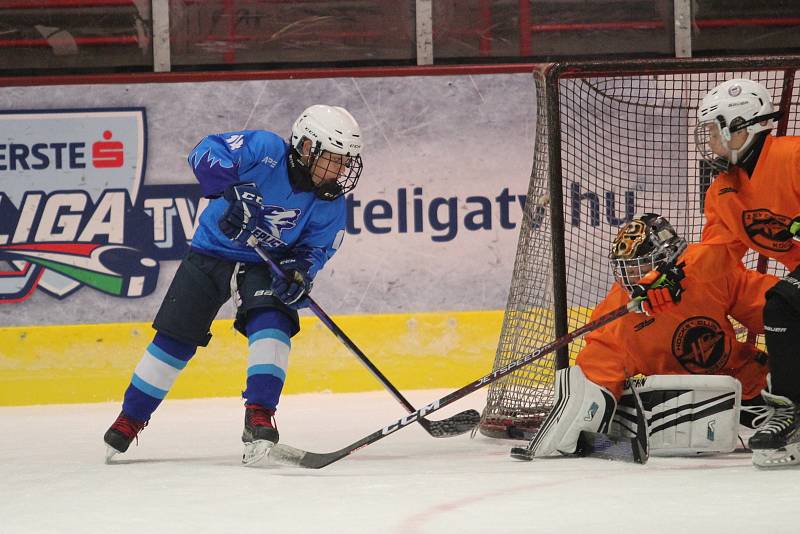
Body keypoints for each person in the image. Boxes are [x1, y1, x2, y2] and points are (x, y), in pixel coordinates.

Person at [103, 105, 364, 464]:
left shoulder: (328, 202)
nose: (339, 170)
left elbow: (317, 247)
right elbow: (206, 151)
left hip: (265, 263)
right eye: (333, 159)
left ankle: (259, 414)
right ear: (306, 147)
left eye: (345, 162)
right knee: (175, 338)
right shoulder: (267, 150)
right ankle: (130, 417)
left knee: (273, 324)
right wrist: (232, 190)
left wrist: (300, 270)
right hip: (212, 250)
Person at [524, 214, 777, 459]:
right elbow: (596, 374)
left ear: (669, 258)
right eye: (626, 272)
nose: (633, 281)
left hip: (747, 383)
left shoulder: (707, 270)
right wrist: (584, 418)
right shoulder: (616, 317)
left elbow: (772, 308)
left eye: (641, 268)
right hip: (682, 408)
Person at [694, 78, 800, 467]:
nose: (710, 143)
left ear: (741, 128)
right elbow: (715, 259)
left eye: (714, 131)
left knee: (781, 305)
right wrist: (670, 280)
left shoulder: (793, 157)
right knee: (788, 304)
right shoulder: (724, 190)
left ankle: (794, 412)